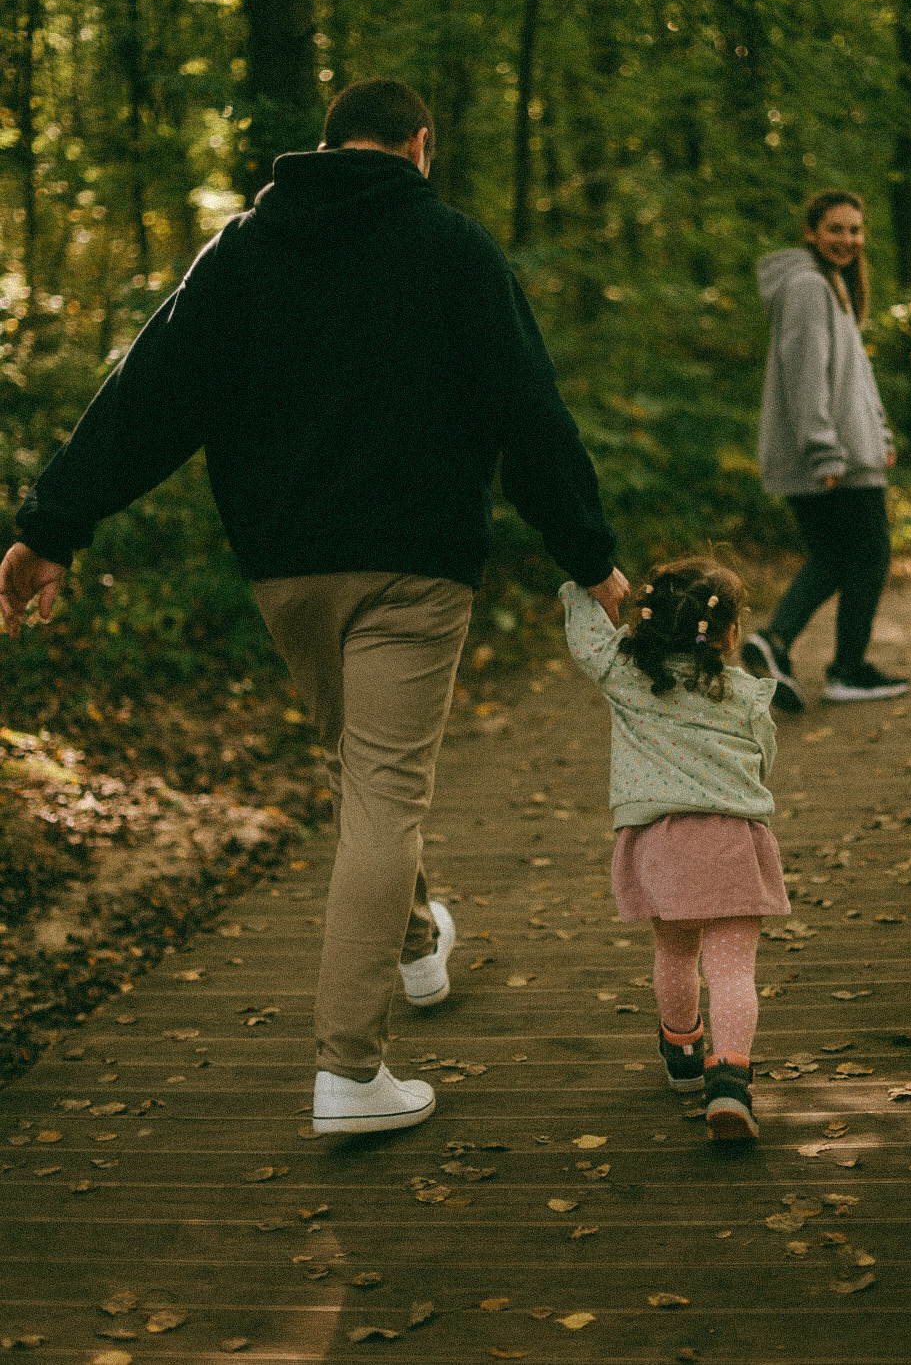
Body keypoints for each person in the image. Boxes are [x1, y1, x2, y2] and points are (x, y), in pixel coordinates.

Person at [0, 77, 630, 1135]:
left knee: (361, 765)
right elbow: (528, 413)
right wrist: (593, 558)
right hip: (415, 569)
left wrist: (51, 525)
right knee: (383, 789)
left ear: (328, 144)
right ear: (419, 147)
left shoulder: (244, 249)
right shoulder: (452, 248)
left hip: (286, 571)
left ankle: (421, 945)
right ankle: (348, 1070)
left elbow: (146, 394)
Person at [561, 554, 786, 1143]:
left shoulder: (627, 677)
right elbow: (764, 759)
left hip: (660, 845)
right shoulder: (746, 695)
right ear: (730, 633)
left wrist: (589, 584)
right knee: (732, 968)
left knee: (676, 954)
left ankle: (683, 1050)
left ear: (646, 623)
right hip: (732, 841)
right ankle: (731, 1080)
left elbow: (586, 637)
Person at [742, 189, 908, 710]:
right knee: (865, 554)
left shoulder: (833, 285)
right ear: (811, 233)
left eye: (855, 230)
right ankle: (843, 669)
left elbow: (855, 377)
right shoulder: (808, 287)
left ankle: (777, 643)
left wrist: (878, 435)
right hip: (830, 457)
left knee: (841, 556)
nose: (847, 240)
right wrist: (823, 452)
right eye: (835, 229)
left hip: (851, 451)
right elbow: (805, 375)